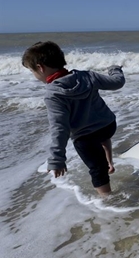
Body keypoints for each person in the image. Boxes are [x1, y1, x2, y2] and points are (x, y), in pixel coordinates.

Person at [22, 41, 125, 195]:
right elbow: (117, 82)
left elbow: (59, 128)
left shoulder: (53, 94)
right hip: (108, 126)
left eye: (32, 71)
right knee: (101, 136)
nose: (34, 75)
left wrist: (57, 159)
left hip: (86, 138)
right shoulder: (87, 76)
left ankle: (107, 199)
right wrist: (115, 69)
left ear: (40, 68)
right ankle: (109, 162)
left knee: (97, 169)